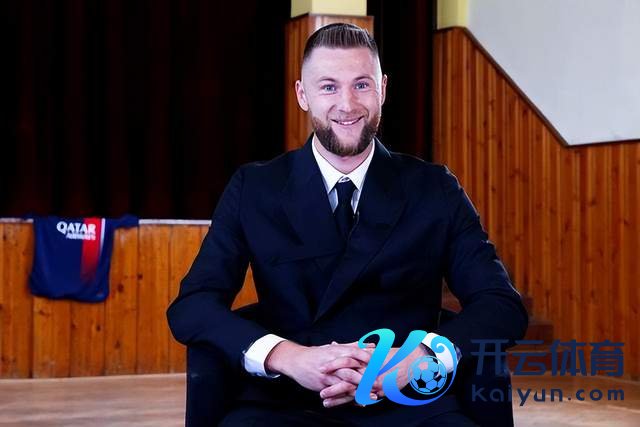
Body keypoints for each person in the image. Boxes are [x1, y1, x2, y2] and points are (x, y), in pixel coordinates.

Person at [167, 23, 528, 426]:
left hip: (410, 403)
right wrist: (287, 356)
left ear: (382, 90)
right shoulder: (254, 188)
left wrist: (423, 357)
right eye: (328, 87)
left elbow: (501, 304)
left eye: (361, 85)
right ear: (302, 95)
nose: (347, 104)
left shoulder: (434, 188)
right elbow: (192, 305)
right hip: (284, 402)